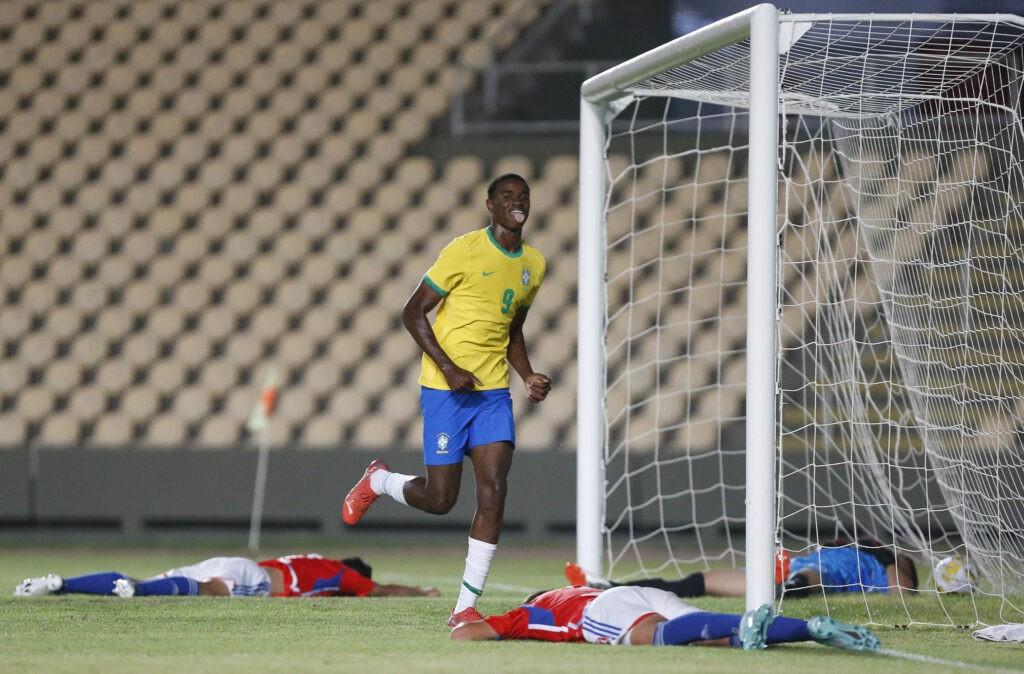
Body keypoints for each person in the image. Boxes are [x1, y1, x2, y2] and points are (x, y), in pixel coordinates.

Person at [341, 173, 550, 627]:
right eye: (507, 196)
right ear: (490, 204)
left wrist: (528, 374)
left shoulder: (534, 264)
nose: (517, 202)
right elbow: (412, 312)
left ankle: (464, 609)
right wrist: (449, 367)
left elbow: (512, 330)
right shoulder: (463, 250)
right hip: (445, 390)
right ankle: (379, 481)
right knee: (441, 500)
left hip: (492, 393)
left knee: (494, 491)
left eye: (524, 196)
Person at [449, 585, 881, 652]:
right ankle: (809, 629)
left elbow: (469, 634)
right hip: (633, 592)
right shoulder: (574, 591)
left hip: (600, 612)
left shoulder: (532, 610)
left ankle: (751, 625)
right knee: (712, 632)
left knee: (658, 637)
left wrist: (461, 625)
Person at [564, 537, 919, 598]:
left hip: (822, 576)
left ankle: (788, 585)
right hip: (792, 566)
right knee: (699, 581)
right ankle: (611, 586)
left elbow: (903, 590)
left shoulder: (880, 562)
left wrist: (891, 559)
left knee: (816, 578)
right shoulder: (839, 548)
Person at [14, 553, 439, 598]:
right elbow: (382, 589)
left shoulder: (314, 560)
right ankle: (139, 594)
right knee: (208, 591)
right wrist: (422, 592)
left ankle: (63, 584)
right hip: (251, 578)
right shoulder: (344, 576)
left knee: (137, 579)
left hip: (232, 561)